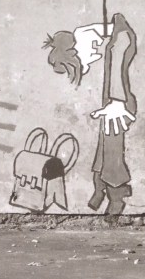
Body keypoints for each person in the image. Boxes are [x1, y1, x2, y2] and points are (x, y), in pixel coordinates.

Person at [43, 12, 137, 215]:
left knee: (112, 154)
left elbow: (119, 60)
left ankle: (117, 196)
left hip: (118, 106)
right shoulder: (88, 39)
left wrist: (116, 101)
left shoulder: (111, 44)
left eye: (67, 68)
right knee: (103, 152)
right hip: (110, 103)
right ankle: (100, 188)